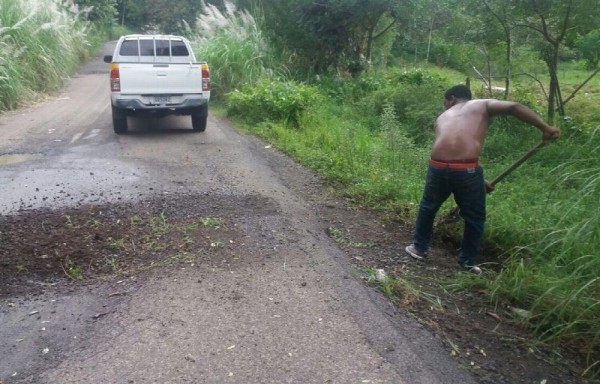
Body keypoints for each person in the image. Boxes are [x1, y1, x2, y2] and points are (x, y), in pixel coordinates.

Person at [405, 84, 561, 274]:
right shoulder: (482, 104)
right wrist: (545, 127)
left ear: (452, 98)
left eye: (445, 102)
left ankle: (419, 248)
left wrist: (478, 182)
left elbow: (451, 153)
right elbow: (513, 107)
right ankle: (467, 262)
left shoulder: (441, 118)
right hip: (467, 170)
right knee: (475, 217)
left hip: (437, 166)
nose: (445, 106)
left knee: (428, 206)